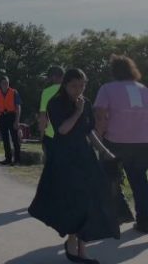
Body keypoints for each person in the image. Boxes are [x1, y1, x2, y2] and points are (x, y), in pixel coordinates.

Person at [28, 68, 123, 264]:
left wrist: (104, 151)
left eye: (82, 85)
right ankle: (72, 245)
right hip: (65, 159)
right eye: (74, 86)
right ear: (65, 85)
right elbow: (63, 130)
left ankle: (82, 248)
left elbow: (90, 132)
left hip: (85, 157)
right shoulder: (55, 103)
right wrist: (78, 112)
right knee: (74, 203)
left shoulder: (86, 103)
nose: (78, 90)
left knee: (89, 202)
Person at [94, 55, 148, 233]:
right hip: (142, 143)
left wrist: (99, 138)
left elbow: (100, 115)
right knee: (140, 182)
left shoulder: (107, 89)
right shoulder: (143, 89)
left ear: (114, 71)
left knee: (109, 180)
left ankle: (113, 219)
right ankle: (144, 222)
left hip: (115, 141)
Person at [0, 76, 22, 166]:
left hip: (12, 116)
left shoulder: (14, 92)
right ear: (0, 84)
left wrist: (17, 121)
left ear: (8, 83)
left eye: (6, 83)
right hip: (2, 117)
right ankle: (8, 158)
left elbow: (18, 107)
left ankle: (17, 160)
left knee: (15, 139)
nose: (5, 84)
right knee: (5, 139)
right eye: (3, 83)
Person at [39, 66, 64, 155]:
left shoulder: (47, 92)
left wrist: (42, 137)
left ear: (53, 77)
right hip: (69, 134)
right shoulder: (71, 90)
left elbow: (43, 116)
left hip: (51, 133)